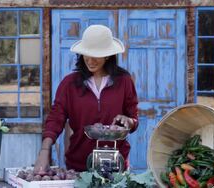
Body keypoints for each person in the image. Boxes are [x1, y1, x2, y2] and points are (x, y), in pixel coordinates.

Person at [34, 25, 139, 173]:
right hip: (78, 165)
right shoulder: (69, 84)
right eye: (86, 54)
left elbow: (133, 119)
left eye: (96, 55)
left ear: (108, 55)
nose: (90, 60)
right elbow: (56, 118)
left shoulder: (124, 81)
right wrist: (44, 150)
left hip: (116, 166)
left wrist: (128, 121)